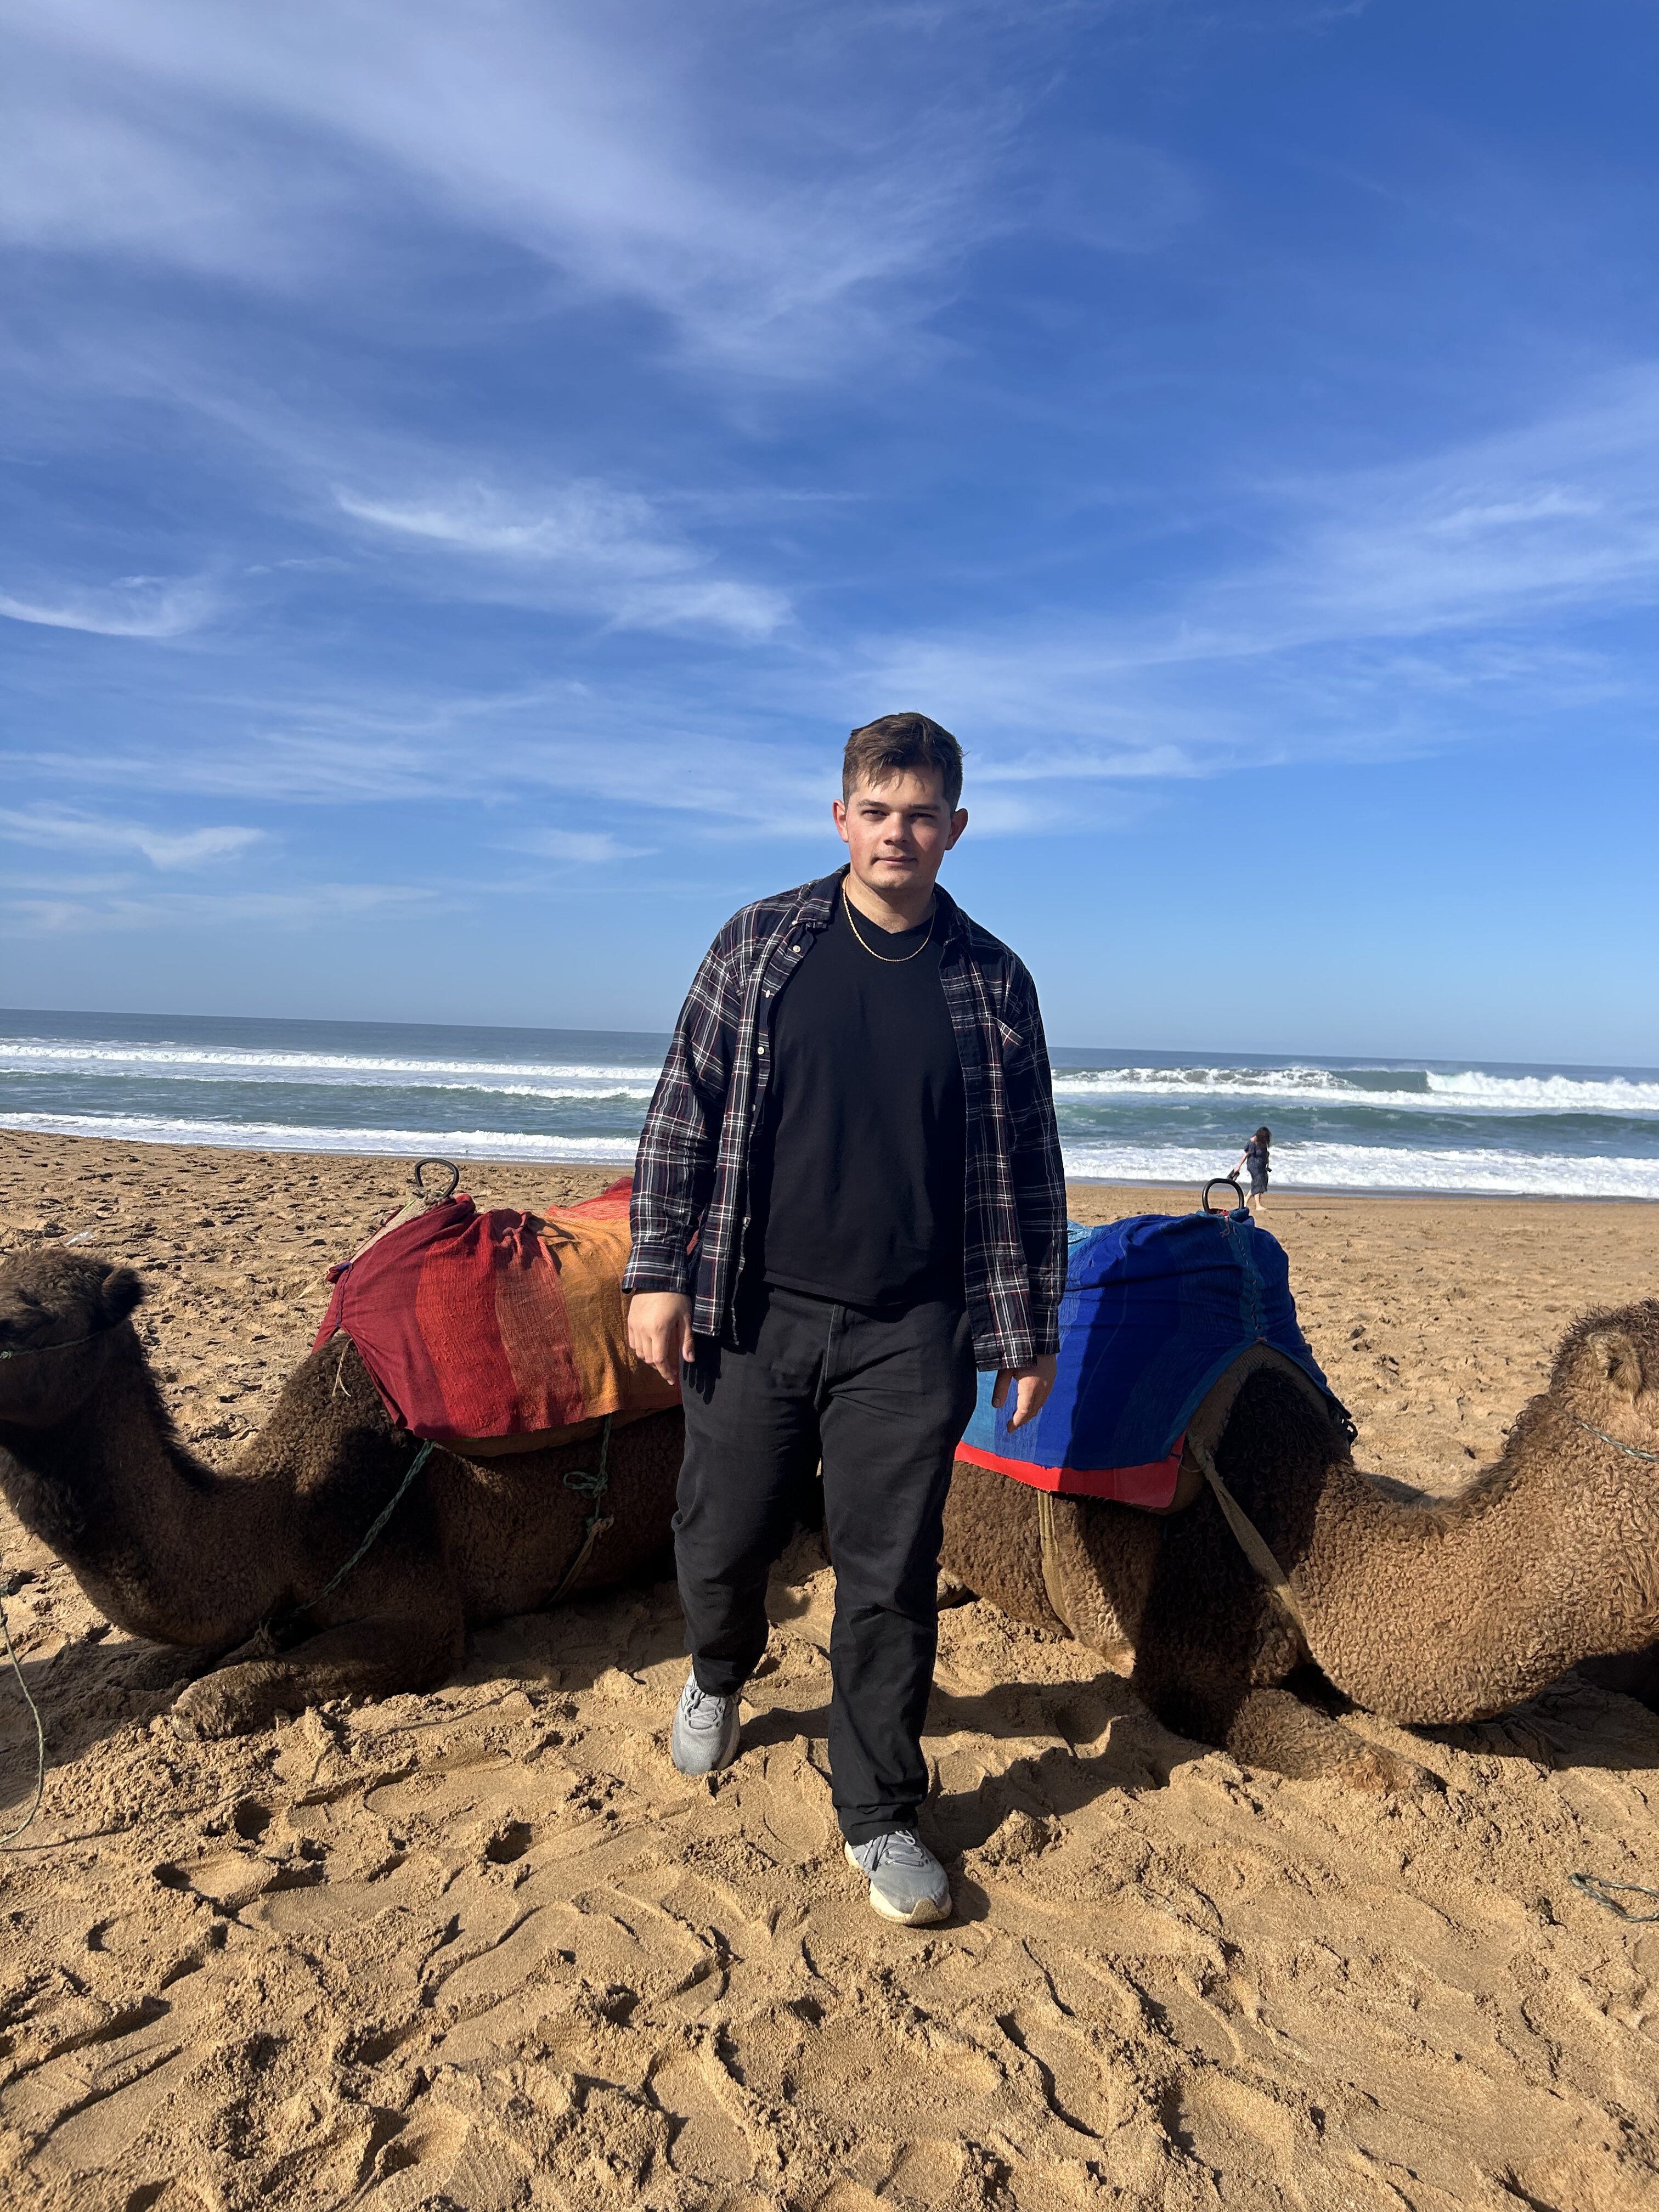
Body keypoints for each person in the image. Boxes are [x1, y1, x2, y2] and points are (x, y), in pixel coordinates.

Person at [624, 712, 1067, 1928]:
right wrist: (657, 1270)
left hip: (911, 1331)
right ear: (841, 820)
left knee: (889, 1575)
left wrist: (1028, 1325)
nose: (899, 835)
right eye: (877, 812)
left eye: (923, 815)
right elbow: (683, 1113)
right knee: (721, 1536)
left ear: (956, 829)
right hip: (752, 1306)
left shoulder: (993, 982)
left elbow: (1030, 1168)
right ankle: (719, 1671)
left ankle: (877, 1808)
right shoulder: (760, 944)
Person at [1235, 1125, 1271, 1216]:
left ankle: (1246, 1198)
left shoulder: (1263, 1142)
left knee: (1262, 1183)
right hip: (1253, 1166)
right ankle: (1258, 1206)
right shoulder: (1253, 1142)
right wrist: (1238, 1167)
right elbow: (1246, 1154)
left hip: (1262, 1166)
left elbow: (1266, 1154)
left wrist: (1268, 1164)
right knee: (1258, 1183)